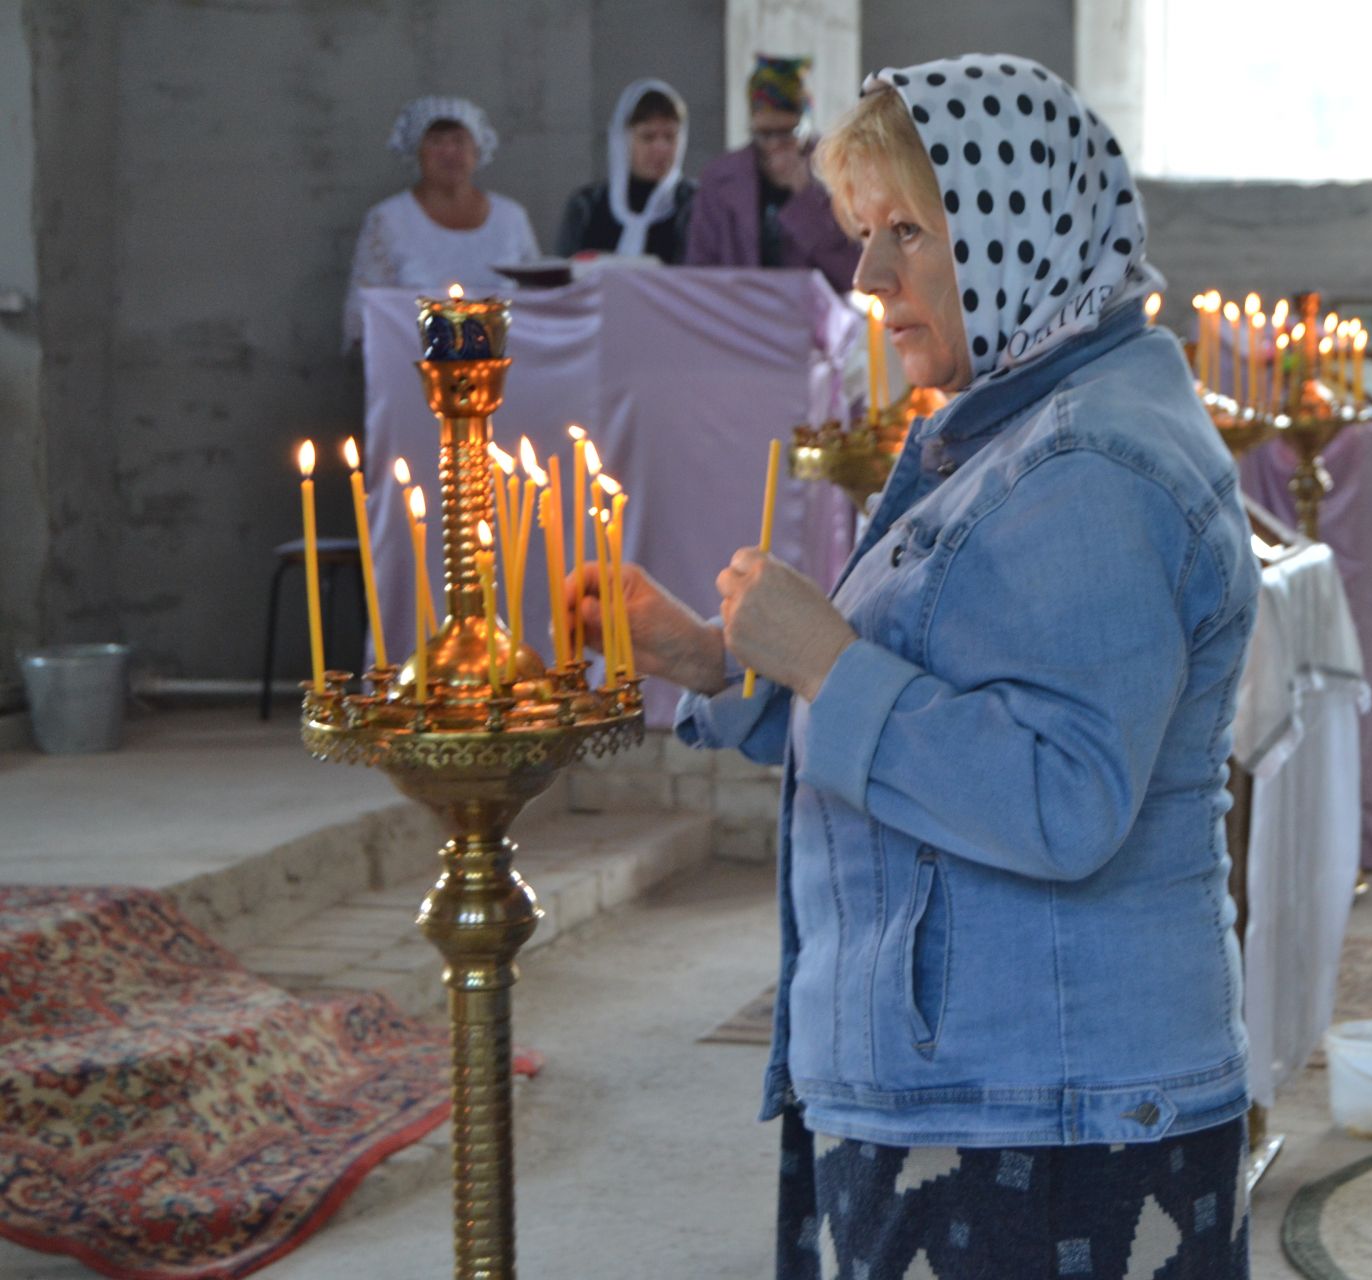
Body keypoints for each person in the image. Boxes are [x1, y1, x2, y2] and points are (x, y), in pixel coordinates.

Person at [572, 54, 1257, 1278]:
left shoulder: (1087, 467)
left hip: (1044, 1129)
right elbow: (952, 727)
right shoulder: (1027, 417)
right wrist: (728, 669)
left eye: (907, 234)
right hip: (997, 1086)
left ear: (1012, 227)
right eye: (861, 232)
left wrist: (830, 660)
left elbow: (1061, 794)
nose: (867, 276)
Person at [343, 97, 540, 349]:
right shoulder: (387, 219)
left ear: (477, 149)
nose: (449, 152)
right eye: (436, 142)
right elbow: (364, 312)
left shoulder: (511, 217)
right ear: (417, 151)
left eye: (459, 140)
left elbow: (538, 299)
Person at [682, 55, 860, 291]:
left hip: (811, 317)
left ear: (805, 124)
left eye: (787, 132)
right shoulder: (720, 178)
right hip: (738, 315)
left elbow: (852, 271)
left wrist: (806, 196)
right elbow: (699, 266)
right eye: (765, 133)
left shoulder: (838, 170)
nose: (775, 144)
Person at [555, 79, 698, 261]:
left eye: (670, 137)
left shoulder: (694, 204)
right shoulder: (586, 206)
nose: (661, 148)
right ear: (623, 141)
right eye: (648, 137)